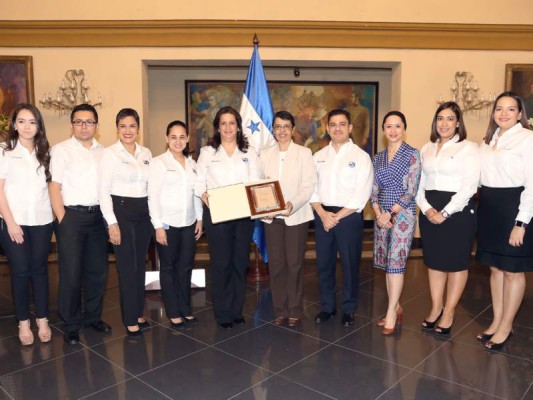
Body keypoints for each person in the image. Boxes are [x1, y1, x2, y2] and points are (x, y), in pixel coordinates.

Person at [416, 101, 480, 336]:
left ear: (458, 123)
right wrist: (426, 209)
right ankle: (435, 308)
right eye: (440, 118)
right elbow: (418, 184)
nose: (444, 123)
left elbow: (469, 187)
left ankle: (450, 312)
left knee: (455, 264)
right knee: (434, 262)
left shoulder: (468, 148)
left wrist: (445, 212)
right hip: (430, 209)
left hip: (458, 212)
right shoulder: (426, 148)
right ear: (435, 122)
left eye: (450, 119)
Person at [49, 104, 111, 345]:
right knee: (71, 273)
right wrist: (62, 219)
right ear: (72, 124)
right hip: (71, 218)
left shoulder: (104, 152)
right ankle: (71, 324)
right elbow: (54, 187)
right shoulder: (61, 150)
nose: (84, 126)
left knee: (98, 272)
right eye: (79, 121)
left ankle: (93, 317)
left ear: (96, 125)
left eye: (89, 122)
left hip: (97, 218)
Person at [476, 92, 533, 349]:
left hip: (514, 208)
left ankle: (507, 325)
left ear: (520, 113)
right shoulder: (488, 140)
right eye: (499, 108)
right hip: (489, 208)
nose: (504, 113)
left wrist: (521, 223)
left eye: (511, 109)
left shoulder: (528, 139)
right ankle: (497, 320)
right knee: (495, 268)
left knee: (512, 270)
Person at [195, 106, 260, 329]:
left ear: (238, 127)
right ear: (217, 127)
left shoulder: (249, 152)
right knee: (221, 264)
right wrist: (203, 194)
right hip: (217, 214)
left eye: (232, 123)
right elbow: (198, 181)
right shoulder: (207, 152)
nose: (228, 127)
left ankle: (236, 310)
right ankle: (222, 313)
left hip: (242, 215)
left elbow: (255, 182)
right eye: (223, 123)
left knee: (239, 263)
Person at [310, 109, 373, 326]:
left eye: (342, 124)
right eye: (333, 124)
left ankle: (349, 308)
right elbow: (312, 189)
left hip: (349, 217)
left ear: (350, 128)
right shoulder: (317, 157)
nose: (338, 128)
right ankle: (327, 307)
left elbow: (362, 193)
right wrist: (323, 214)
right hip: (323, 216)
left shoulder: (361, 157)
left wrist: (337, 216)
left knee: (350, 263)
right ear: (327, 128)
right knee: (324, 264)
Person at [0, 103, 53, 345]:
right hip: (14, 221)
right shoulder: (4, 151)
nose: (27, 126)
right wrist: (10, 222)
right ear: (14, 124)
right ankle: (23, 322)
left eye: (32, 122)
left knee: (40, 270)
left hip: (42, 220)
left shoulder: (45, 152)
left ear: (38, 125)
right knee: (21, 272)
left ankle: (42, 319)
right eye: (22, 121)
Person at [98, 108, 152, 337]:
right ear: (117, 129)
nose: (127, 130)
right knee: (127, 268)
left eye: (132, 126)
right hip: (120, 211)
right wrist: (111, 223)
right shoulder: (110, 154)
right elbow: (103, 192)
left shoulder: (146, 152)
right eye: (123, 126)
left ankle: (138, 312)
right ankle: (130, 319)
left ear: (138, 128)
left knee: (140, 265)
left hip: (144, 213)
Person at [259, 111, 316, 327]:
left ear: (293, 129)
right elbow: (258, 185)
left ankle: (295, 309)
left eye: (286, 126)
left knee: (294, 264)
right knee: (276, 264)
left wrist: (292, 204)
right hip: (271, 218)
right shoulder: (264, 154)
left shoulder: (304, 153)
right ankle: (279, 309)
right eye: (278, 126)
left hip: (296, 216)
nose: (282, 131)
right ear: (273, 129)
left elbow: (308, 185)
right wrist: (264, 208)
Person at [148, 120, 203, 329]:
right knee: (169, 268)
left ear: (187, 139)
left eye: (182, 137)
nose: (178, 141)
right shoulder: (158, 163)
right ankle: (173, 312)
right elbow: (152, 196)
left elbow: (196, 193)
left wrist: (200, 218)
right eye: (173, 137)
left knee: (186, 267)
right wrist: (158, 226)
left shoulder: (192, 164)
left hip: (188, 223)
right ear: (166, 139)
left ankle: (185, 309)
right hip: (167, 225)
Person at [371, 111, 421, 335]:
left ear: (404, 129)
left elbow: (412, 190)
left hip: (402, 215)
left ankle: (391, 312)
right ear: (383, 129)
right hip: (381, 214)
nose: (393, 130)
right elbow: (373, 189)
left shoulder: (412, 154)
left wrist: (390, 213)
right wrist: (378, 211)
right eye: (389, 126)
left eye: (397, 126)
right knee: (386, 265)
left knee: (396, 263)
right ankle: (396, 306)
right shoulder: (377, 157)